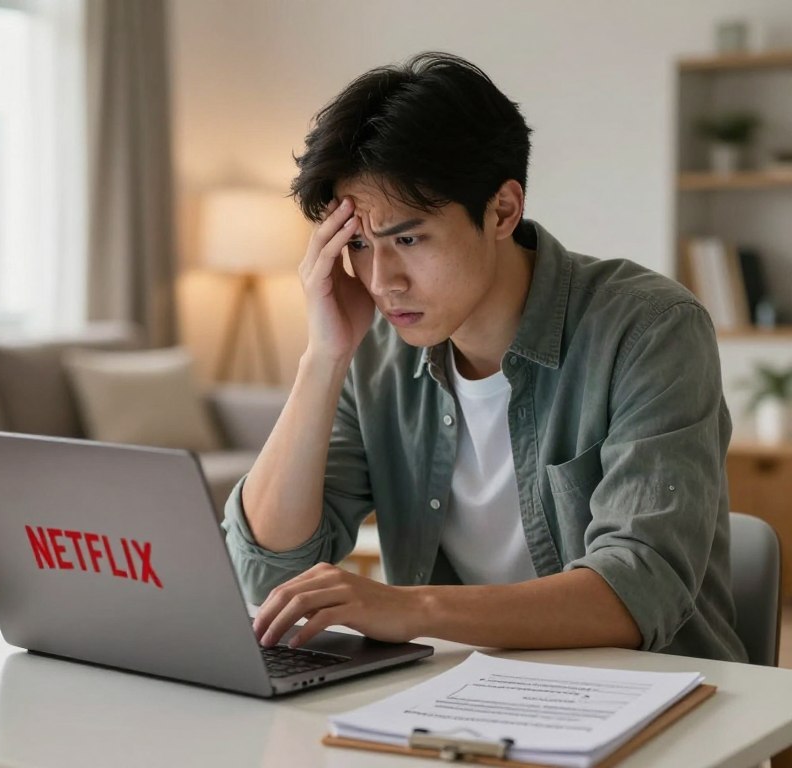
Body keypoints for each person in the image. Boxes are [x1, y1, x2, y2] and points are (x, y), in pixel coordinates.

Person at [220, 52, 746, 662]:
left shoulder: (649, 329)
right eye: (359, 245)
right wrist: (323, 356)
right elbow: (265, 575)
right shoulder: (374, 351)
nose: (382, 280)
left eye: (408, 239)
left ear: (502, 210)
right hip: (457, 704)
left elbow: (637, 589)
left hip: (653, 703)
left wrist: (409, 609)